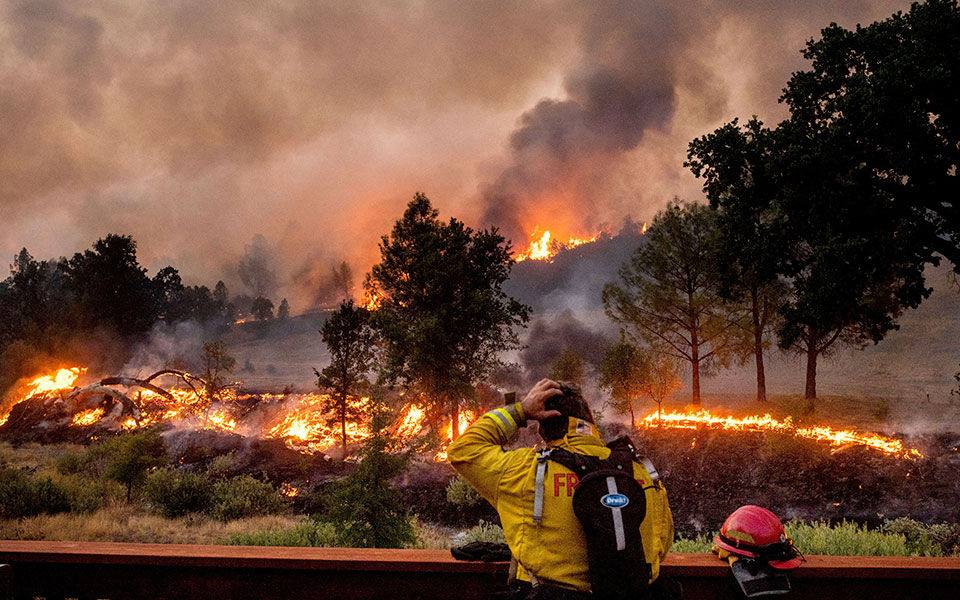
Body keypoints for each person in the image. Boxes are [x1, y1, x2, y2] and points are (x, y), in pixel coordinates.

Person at [448, 379, 675, 599]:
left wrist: (520, 411)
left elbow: (463, 450)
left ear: (542, 431)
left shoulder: (524, 471)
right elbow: (661, 546)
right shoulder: (641, 472)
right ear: (591, 420)